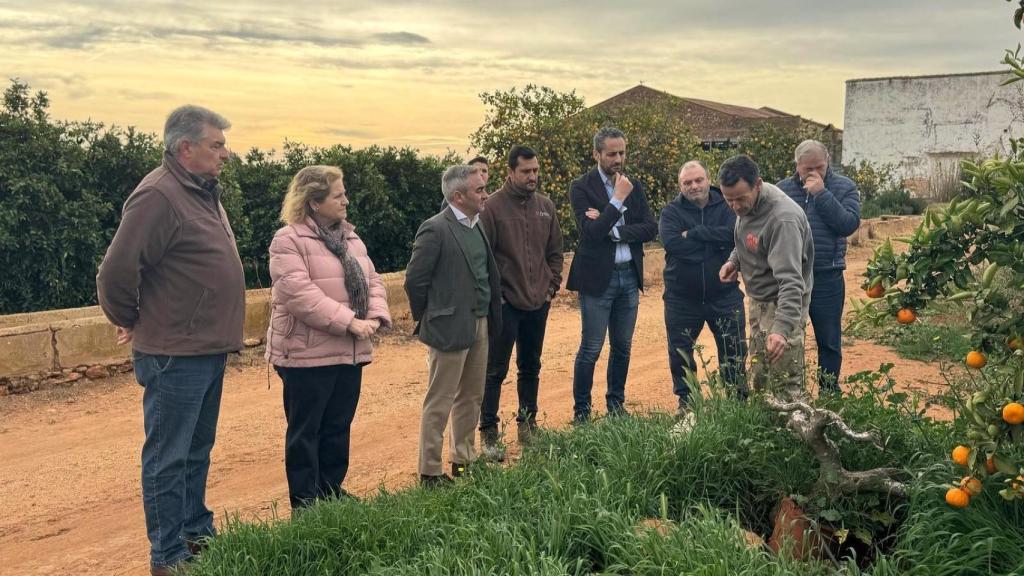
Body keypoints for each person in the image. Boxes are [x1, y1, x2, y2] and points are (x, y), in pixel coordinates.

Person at [96, 105, 244, 576]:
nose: (225, 154)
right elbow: (116, 272)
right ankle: (168, 556)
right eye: (216, 145)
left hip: (205, 347)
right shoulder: (158, 195)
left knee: (196, 450)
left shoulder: (200, 192)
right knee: (168, 456)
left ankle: (197, 534)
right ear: (185, 148)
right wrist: (129, 318)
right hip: (174, 353)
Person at [265, 165, 391, 511]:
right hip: (305, 355)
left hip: (349, 351)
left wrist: (375, 316)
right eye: (338, 195)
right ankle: (306, 505)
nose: (346, 201)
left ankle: (331, 494)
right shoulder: (288, 240)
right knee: (306, 431)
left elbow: (373, 281)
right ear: (314, 202)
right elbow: (298, 294)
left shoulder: (351, 239)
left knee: (337, 426)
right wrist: (350, 322)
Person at [405, 164, 502, 486]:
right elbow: (415, 281)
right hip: (448, 327)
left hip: (479, 322)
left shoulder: (477, 224)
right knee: (440, 399)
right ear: (458, 196)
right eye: (479, 190)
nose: (486, 194)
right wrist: (432, 316)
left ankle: (464, 460)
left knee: (471, 396)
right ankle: (430, 471)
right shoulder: (435, 229)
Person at [566, 127, 657, 423]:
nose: (618, 159)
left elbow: (650, 228)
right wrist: (617, 200)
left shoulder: (633, 185)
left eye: (622, 153)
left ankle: (616, 408)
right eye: (611, 154)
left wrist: (614, 230)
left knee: (622, 347)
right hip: (597, 280)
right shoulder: (581, 187)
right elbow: (591, 233)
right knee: (591, 348)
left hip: (629, 276)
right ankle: (582, 414)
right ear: (596, 154)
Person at [477, 145, 563, 458]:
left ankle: (528, 426)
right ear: (510, 172)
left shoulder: (545, 206)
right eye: (526, 171)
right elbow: (483, 256)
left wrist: (551, 287)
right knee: (494, 370)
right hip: (506, 305)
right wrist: (497, 297)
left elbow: (555, 252)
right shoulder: (491, 207)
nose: (532, 176)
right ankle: (488, 434)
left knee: (530, 366)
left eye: (535, 170)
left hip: (539, 302)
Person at [718, 155, 814, 402]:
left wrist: (782, 329)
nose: (735, 206)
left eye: (740, 198)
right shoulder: (748, 203)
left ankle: (795, 424)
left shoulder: (782, 219)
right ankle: (766, 423)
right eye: (728, 200)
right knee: (761, 378)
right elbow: (751, 239)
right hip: (759, 302)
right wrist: (734, 261)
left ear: (757, 184)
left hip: (782, 303)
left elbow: (792, 282)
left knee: (785, 383)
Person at [659, 160, 747, 414]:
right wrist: (716, 246)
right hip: (682, 298)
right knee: (680, 352)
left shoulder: (728, 204)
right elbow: (674, 245)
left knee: (734, 349)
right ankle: (687, 403)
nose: (694, 186)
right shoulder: (671, 212)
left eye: (699, 180)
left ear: (709, 180)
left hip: (725, 294)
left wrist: (695, 233)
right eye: (687, 182)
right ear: (680, 186)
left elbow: (735, 235)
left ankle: (737, 402)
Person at [777, 140, 860, 394]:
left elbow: (848, 224)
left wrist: (821, 194)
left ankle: (828, 393)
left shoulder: (844, 187)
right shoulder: (782, 190)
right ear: (797, 166)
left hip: (827, 275)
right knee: (789, 337)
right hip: (792, 278)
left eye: (819, 167)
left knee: (829, 340)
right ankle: (792, 393)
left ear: (827, 162)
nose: (814, 173)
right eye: (807, 169)